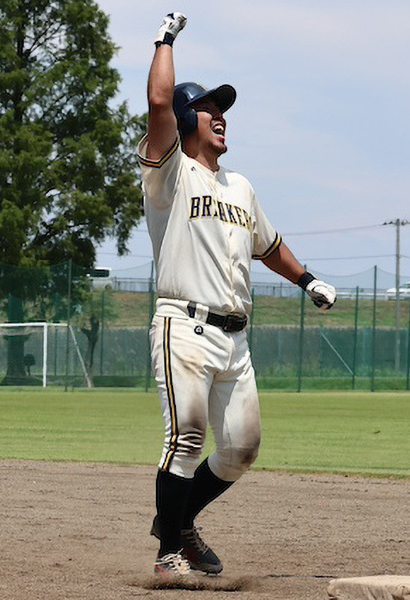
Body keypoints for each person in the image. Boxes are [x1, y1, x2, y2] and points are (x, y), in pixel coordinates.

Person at [138, 13, 337, 578]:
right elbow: (157, 104)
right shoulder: (168, 174)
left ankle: (176, 522)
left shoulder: (240, 187)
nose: (221, 116)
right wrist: (165, 40)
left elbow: (268, 244)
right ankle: (169, 553)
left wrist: (307, 279)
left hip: (236, 338)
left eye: (223, 109)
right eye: (209, 109)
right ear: (184, 121)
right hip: (184, 325)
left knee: (242, 448)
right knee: (187, 435)